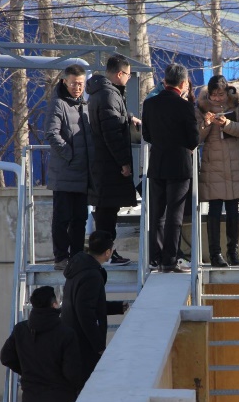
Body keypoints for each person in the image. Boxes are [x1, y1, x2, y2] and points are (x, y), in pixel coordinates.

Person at [142, 64, 199, 273]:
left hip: (157, 163)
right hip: (179, 165)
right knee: (175, 214)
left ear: (165, 81)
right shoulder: (185, 106)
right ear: (183, 84)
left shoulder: (150, 104)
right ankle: (169, 260)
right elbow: (194, 139)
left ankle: (154, 258)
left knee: (157, 214)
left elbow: (146, 135)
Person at [195, 75, 239, 267]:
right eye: (213, 95)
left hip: (234, 163)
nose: (217, 98)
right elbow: (196, 137)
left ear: (226, 92)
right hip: (213, 165)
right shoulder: (200, 108)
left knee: (233, 209)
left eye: (220, 95)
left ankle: (233, 251)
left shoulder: (237, 106)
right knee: (214, 209)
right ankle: (215, 254)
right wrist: (206, 124)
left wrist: (226, 124)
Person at [86, 54, 140, 266]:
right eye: (127, 74)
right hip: (109, 165)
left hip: (102, 163)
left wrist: (128, 117)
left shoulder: (101, 93)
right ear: (119, 74)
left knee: (105, 210)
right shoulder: (109, 95)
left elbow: (112, 118)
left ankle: (105, 252)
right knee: (107, 212)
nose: (128, 78)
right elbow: (112, 132)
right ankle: (105, 254)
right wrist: (124, 162)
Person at [61, 230, 129, 385]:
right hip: (84, 345)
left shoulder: (80, 267)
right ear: (107, 252)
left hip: (73, 337)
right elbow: (85, 312)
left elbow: (87, 304)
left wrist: (117, 307)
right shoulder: (92, 274)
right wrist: (99, 346)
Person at [45, 64, 94, 270]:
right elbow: (51, 133)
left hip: (82, 173)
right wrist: (70, 155)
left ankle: (77, 256)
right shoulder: (58, 104)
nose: (77, 87)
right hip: (65, 172)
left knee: (79, 218)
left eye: (81, 84)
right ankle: (61, 257)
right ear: (65, 81)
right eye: (74, 83)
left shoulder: (84, 104)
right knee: (62, 218)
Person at [0, 286, 84, 402]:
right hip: (61, 397)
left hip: (31, 397)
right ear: (54, 304)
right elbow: (72, 373)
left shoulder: (20, 330)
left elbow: (6, 357)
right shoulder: (66, 333)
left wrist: (27, 372)